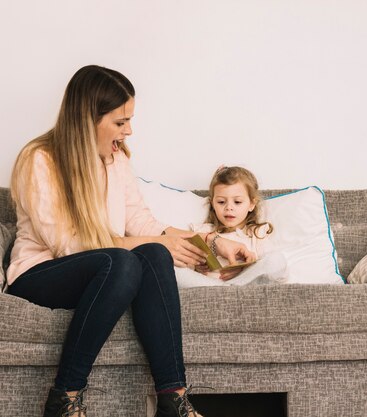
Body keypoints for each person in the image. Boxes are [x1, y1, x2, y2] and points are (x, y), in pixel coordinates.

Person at [6, 65, 255, 417]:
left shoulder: (116, 158)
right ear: (88, 118)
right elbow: (68, 244)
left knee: (151, 252)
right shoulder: (39, 159)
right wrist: (143, 244)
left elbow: (143, 221)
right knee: (124, 259)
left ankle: (173, 399)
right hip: (39, 273)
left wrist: (213, 243)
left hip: (104, 267)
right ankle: (64, 398)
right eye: (121, 121)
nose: (129, 130)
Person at [175, 166, 287, 288]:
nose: (229, 207)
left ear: (251, 204)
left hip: (246, 281)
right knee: (173, 269)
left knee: (277, 259)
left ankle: (234, 287)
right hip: (210, 285)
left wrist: (245, 268)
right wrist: (196, 266)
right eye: (221, 202)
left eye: (237, 202)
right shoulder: (203, 232)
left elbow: (271, 265)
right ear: (212, 204)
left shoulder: (256, 233)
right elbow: (185, 259)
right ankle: (229, 290)